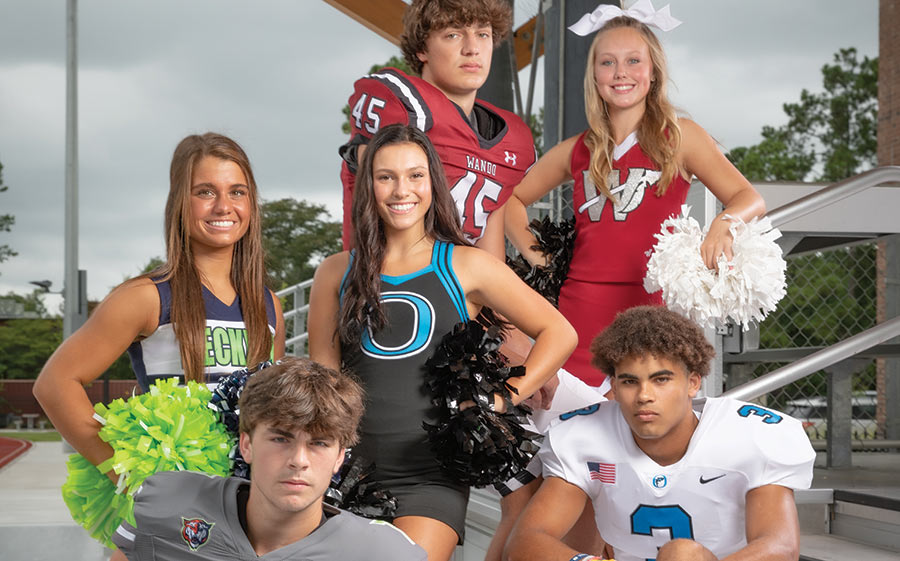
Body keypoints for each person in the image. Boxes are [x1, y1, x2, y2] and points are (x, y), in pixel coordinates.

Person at [309, 124, 576, 561]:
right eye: (386, 176)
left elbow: (560, 332)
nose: (402, 190)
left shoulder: (465, 264)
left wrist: (500, 400)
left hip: (429, 475)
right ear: (368, 186)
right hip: (346, 469)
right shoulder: (336, 272)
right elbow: (325, 382)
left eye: (415, 175)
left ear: (433, 182)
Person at [505, 5, 766, 388]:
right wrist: (536, 255)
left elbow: (748, 197)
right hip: (578, 316)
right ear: (594, 75)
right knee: (571, 430)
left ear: (653, 71)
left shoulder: (681, 136)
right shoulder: (577, 149)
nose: (621, 73)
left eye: (633, 61)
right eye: (607, 63)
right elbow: (511, 199)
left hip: (651, 310)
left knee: (643, 424)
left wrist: (724, 224)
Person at [34, 131, 285, 490]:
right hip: (175, 502)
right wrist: (125, 472)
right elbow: (55, 384)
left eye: (237, 192)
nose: (223, 206)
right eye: (205, 192)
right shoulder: (146, 297)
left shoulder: (268, 304)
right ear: (180, 201)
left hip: (248, 499)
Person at [506, 306, 815, 561]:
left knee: (682, 555)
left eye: (661, 380)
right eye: (629, 381)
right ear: (613, 387)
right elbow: (526, 542)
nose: (644, 395)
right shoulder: (585, 437)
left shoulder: (748, 435)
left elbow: (781, 547)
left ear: (693, 383)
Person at [111, 357, 427, 560]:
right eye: (280, 438)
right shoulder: (168, 505)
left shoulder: (382, 552)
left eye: (318, 443)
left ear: (340, 458)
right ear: (246, 444)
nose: (299, 460)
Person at [339, 0, 536, 261]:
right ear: (422, 49)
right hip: (387, 284)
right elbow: (376, 223)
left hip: (460, 289)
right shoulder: (405, 110)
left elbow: (490, 258)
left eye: (482, 34)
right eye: (453, 34)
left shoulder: (511, 138)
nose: (472, 49)